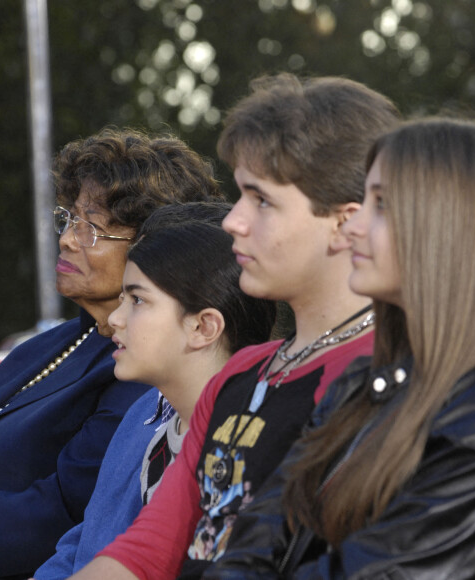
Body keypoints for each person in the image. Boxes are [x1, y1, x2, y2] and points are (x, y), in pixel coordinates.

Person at [67, 73, 401, 580]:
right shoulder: (242, 373)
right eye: (240, 195)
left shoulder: (394, 381)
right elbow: (146, 549)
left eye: (261, 200)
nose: (233, 221)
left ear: (344, 222)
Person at [204, 117, 475, 579]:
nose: (351, 227)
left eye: (381, 205)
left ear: (450, 228)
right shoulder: (363, 383)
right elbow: (260, 537)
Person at [0, 127, 223, 580]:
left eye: (91, 228)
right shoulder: (49, 344)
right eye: (69, 218)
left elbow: (64, 511)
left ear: (154, 247)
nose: (67, 240)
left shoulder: (146, 370)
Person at [33, 202, 276, 579]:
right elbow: (85, 541)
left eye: (138, 300)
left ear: (203, 327)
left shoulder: (248, 445)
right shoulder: (143, 418)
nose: (115, 319)